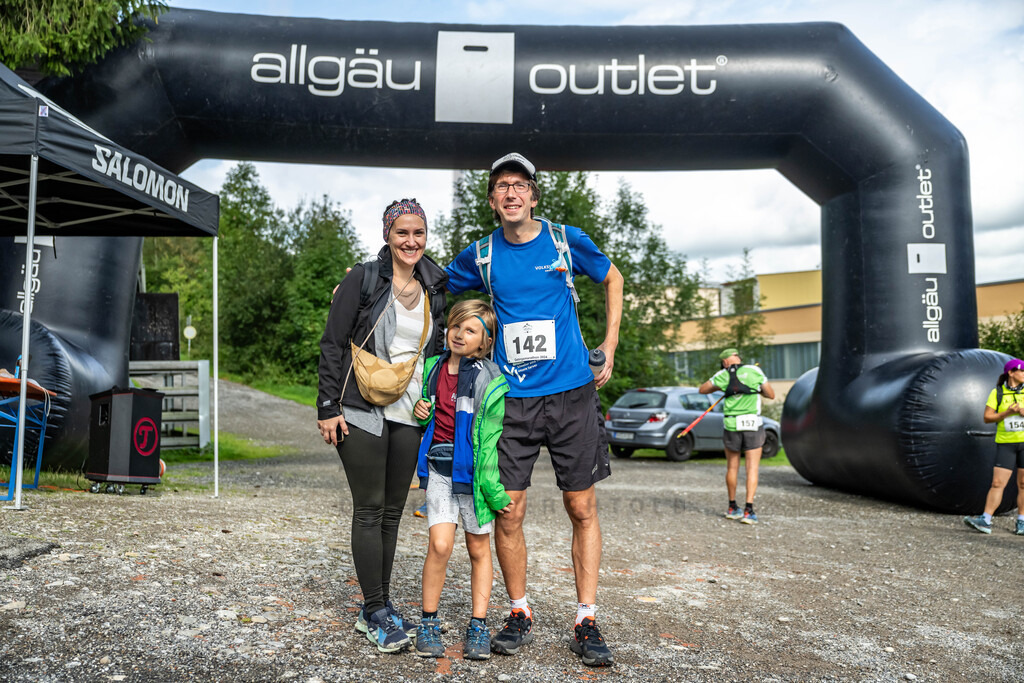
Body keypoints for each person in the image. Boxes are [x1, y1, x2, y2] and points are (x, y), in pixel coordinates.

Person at [445, 153, 623, 667]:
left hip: (571, 395)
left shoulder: (566, 240)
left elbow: (613, 278)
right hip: (510, 402)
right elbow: (435, 284)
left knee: (581, 508)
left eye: (520, 185)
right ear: (493, 200)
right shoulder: (480, 255)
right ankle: (518, 611)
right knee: (508, 510)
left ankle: (586, 619)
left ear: (534, 195)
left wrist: (609, 345)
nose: (511, 193)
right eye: (501, 186)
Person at [316, 198, 447, 653]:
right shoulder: (364, 280)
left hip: (410, 411)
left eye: (419, 233)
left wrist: (430, 397)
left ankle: (383, 604)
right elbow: (333, 344)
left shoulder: (436, 284)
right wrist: (327, 406)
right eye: (402, 232)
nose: (411, 241)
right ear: (388, 234)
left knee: (393, 511)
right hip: (358, 407)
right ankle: (373, 611)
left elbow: (437, 351)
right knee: (369, 508)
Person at [411, 299, 514, 660]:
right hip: (439, 469)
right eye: (455, 326)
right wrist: (421, 410)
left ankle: (478, 626)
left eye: (470, 330)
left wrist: (494, 492)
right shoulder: (432, 367)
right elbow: (426, 416)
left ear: (485, 342)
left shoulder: (491, 380)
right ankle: (427, 623)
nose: (459, 334)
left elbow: (488, 443)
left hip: (474, 478)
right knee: (440, 545)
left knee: (477, 549)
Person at [699, 347, 775, 524]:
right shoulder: (755, 370)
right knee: (752, 468)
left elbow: (702, 390)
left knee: (732, 468)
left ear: (725, 362)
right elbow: (771, 395)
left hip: (731, 424)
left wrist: (721, 386)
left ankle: (732, 507)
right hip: (752, 424)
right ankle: (749, 511)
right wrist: (756, 389)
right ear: (737, 358)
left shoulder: (722, 375)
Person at [963, 358, 1024, 535]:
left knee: (1023, 483)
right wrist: (1008, 412)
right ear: (1011, 372)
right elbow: (987, 417)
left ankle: (1021, 522)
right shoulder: (997, 393)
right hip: (1006, 444)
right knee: (997, 483)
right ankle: (985, 520)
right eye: (1021, 371)